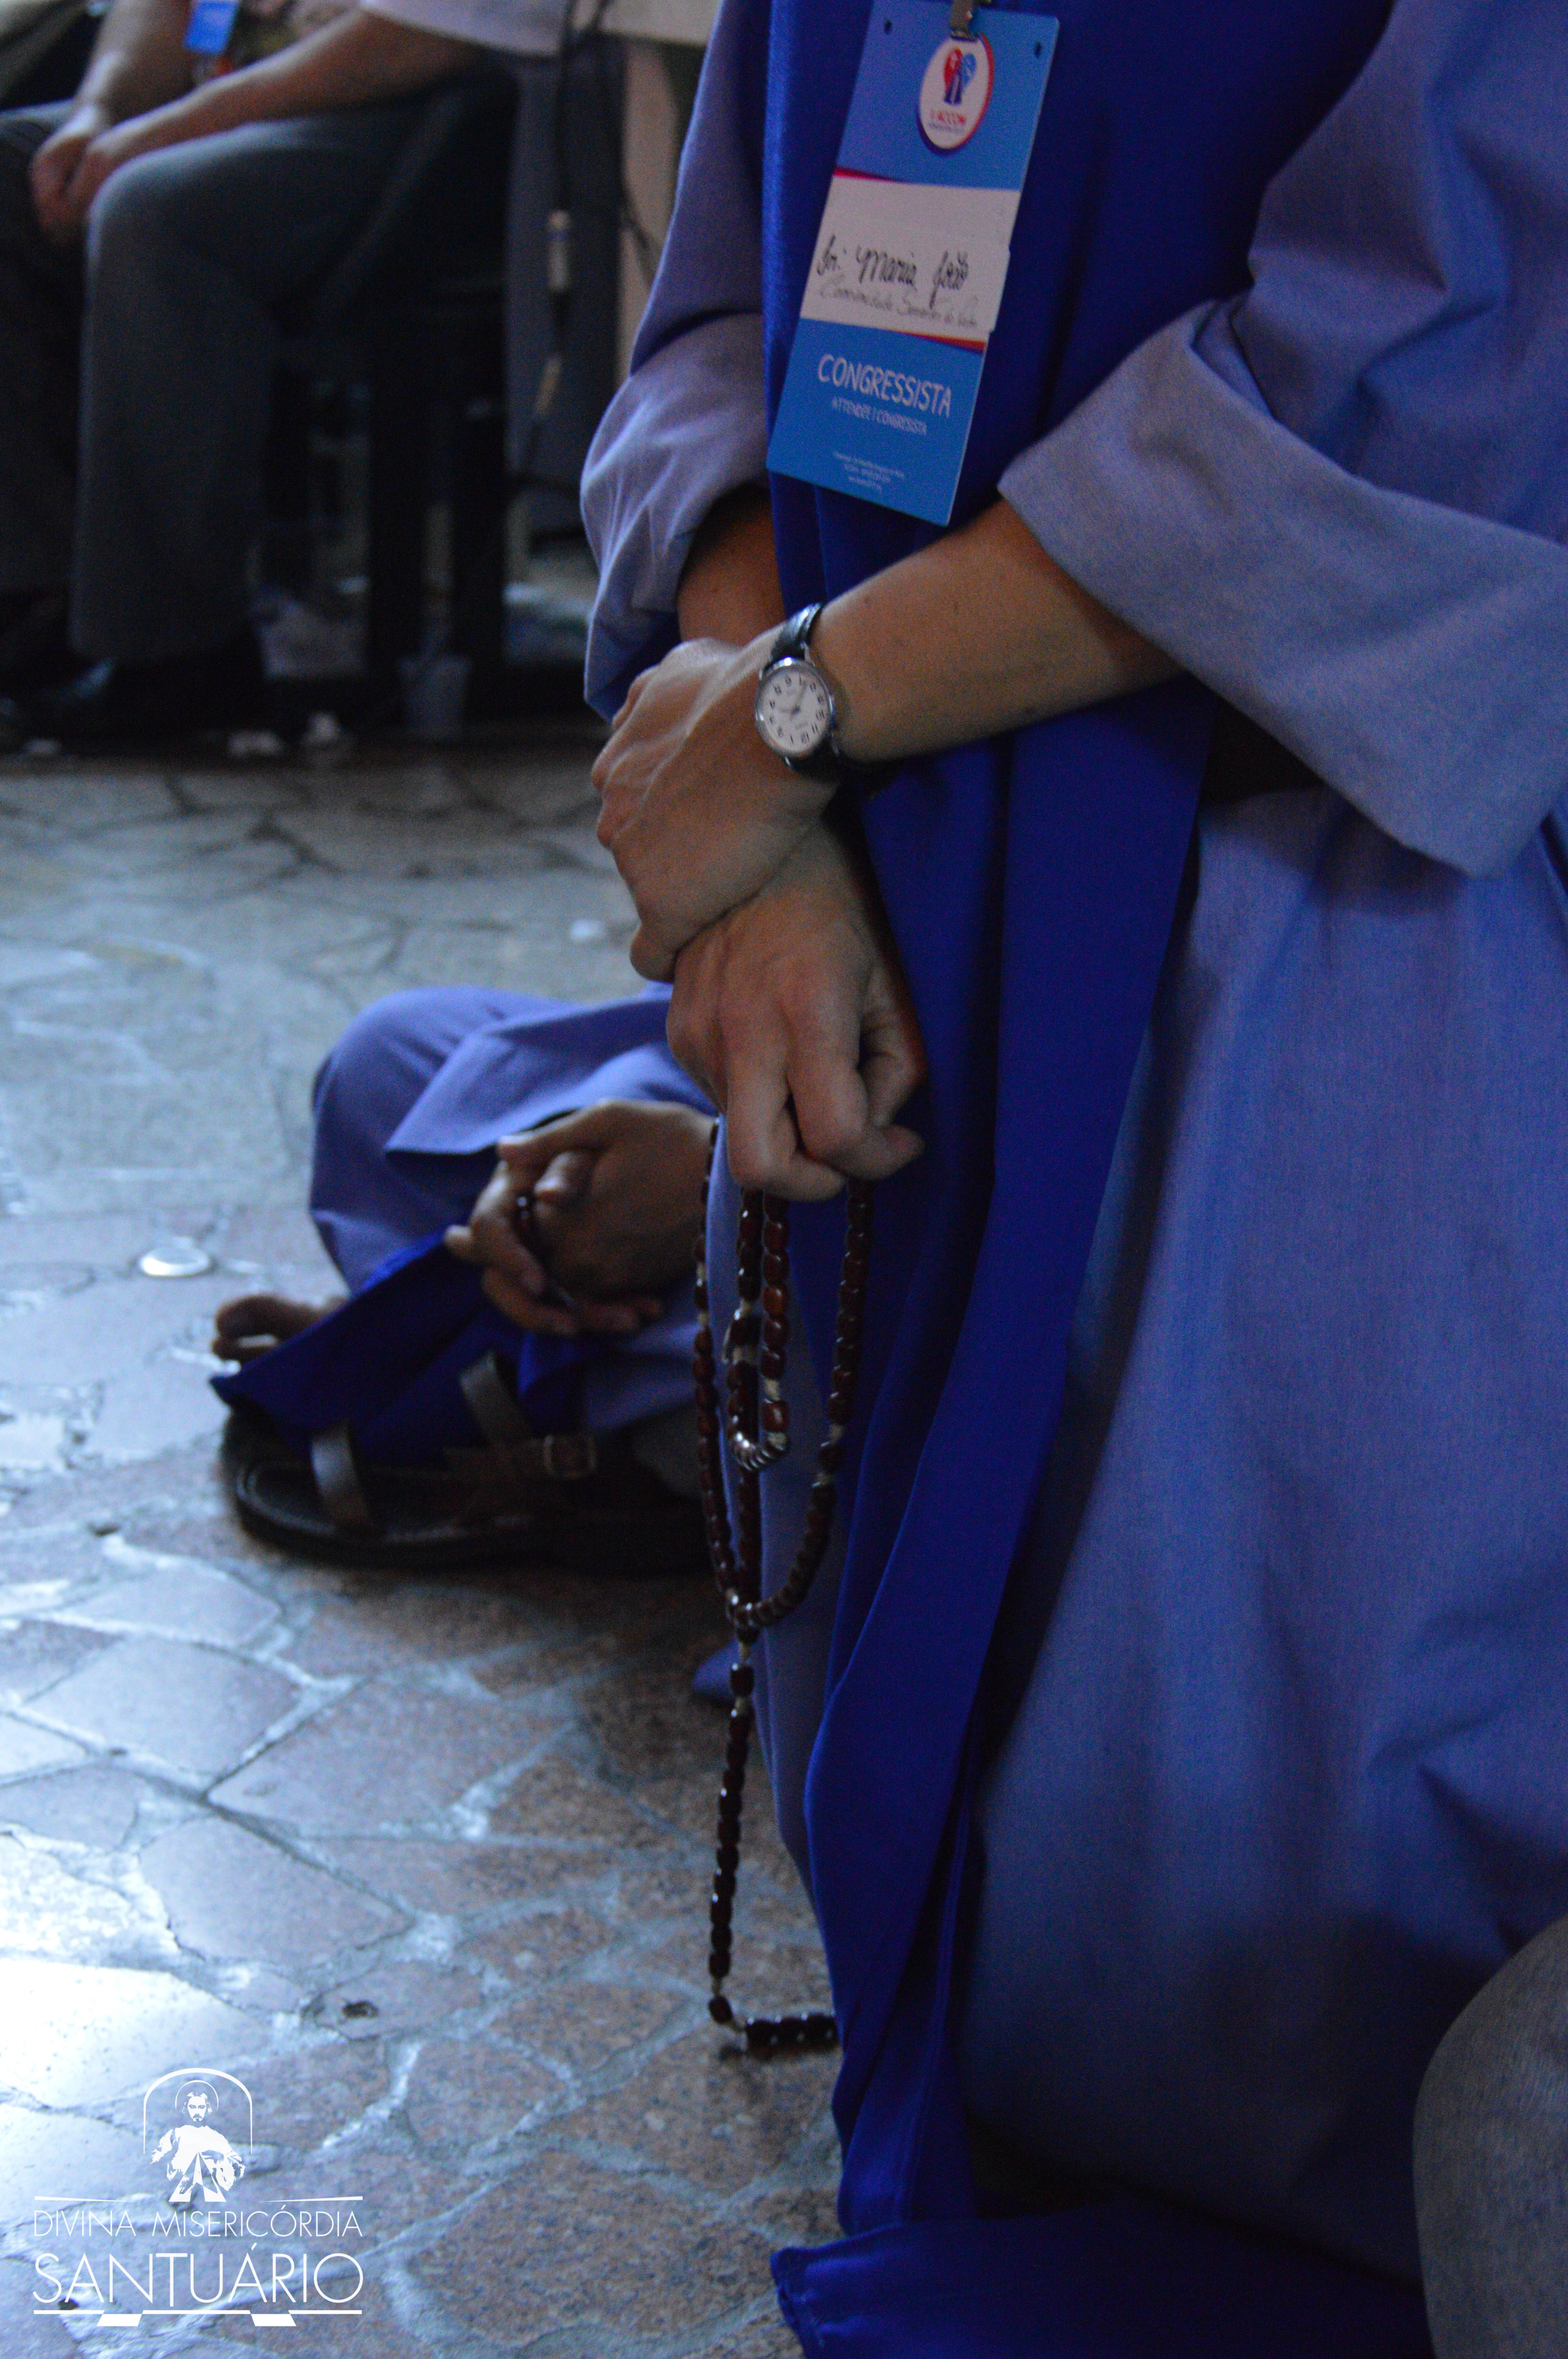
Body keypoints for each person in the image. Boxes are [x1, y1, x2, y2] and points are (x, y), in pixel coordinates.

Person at [579, 0, 1568, 2350]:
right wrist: (758, 806)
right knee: (928, 1815)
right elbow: (727, 323)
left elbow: (1432, 383)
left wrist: (801, 713)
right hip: (870, 890)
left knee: (1277, 1971)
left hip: (1327, 924)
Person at [0, 0, 563, 746]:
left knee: (152, 213)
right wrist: (97, 112)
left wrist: (165, 132)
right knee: (11, 172)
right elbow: (176, 10)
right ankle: (40, 605)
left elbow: (426, 33)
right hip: (229, 90)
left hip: (406, 104)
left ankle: (177, 657)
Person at [211, 984, 720, 1567]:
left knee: (795, 1312)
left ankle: (618, 1430)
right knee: (384, 1054)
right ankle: (447, 1323)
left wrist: (717, 1174)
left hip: (796, 1174)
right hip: (712, 1069)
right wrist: (599, 1126)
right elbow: (704, 990)